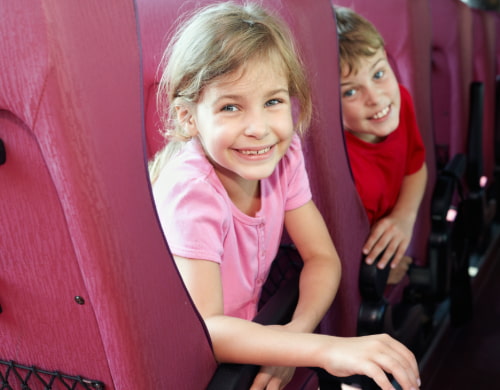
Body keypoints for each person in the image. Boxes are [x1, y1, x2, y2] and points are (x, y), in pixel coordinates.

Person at [150, 2, 420, 390]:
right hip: (187, 365)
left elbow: (323, 258)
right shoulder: (191, 191)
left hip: (247, 342)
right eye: (230, 107)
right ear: (188, 118)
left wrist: (295, 336)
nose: (258, 128)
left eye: (273, 101)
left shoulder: (285, 156)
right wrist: (320, 349)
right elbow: (207, 329)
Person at [335, 7, 428, 285]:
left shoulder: (401, 101)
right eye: (350, 91)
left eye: (378, 74)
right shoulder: (334, 161)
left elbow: (415, 167)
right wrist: (383, 272)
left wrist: (404, 217)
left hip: (390, 251)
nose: (375, 98)